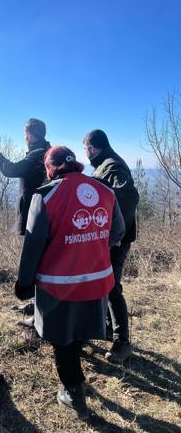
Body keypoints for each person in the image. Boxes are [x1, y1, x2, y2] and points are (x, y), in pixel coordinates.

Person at [15, 146, 125, 419]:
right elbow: (118, 230)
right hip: (97, 282)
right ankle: (77, 386)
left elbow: (33, 246)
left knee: (62, 342)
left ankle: (75, 395)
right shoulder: (104, 191)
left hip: (58, 286)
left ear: (51, 168)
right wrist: (94, 247)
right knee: (77, 334)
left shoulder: (46, 195)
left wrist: (24, 284)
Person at [83, 129, 139, 362]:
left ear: (92, 147)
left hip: (117, 240)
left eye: (85, 148)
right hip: (111, 238)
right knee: (104, 284)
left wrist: (113, 234)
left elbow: (129, 197)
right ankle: (106, 328)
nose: (85, 153)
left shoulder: (112, 165)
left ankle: (122, 343)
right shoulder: (104, 163)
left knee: (112, 286)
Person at [0, 118, 50, 235]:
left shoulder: (38, 154)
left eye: (25, 134)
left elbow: (11, 170)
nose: (24, 137)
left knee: (32, 252)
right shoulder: (48, 152)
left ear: (30, 135)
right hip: (45, 211)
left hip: (35, 214)